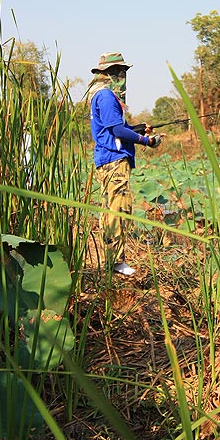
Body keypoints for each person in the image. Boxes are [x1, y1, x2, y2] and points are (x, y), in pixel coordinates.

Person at [89, 51, 161, 276]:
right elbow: (117, 130)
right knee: (118, 209)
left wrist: (139, 128)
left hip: (107, 158)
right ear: (109, 73)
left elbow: (117, 129)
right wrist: (146, 141)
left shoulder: (99, 95)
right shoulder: (107, 96)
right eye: (119, 71)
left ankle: (111, 259)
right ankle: (117, 262)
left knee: (111, 209)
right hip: (113, 159)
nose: (122, 76)